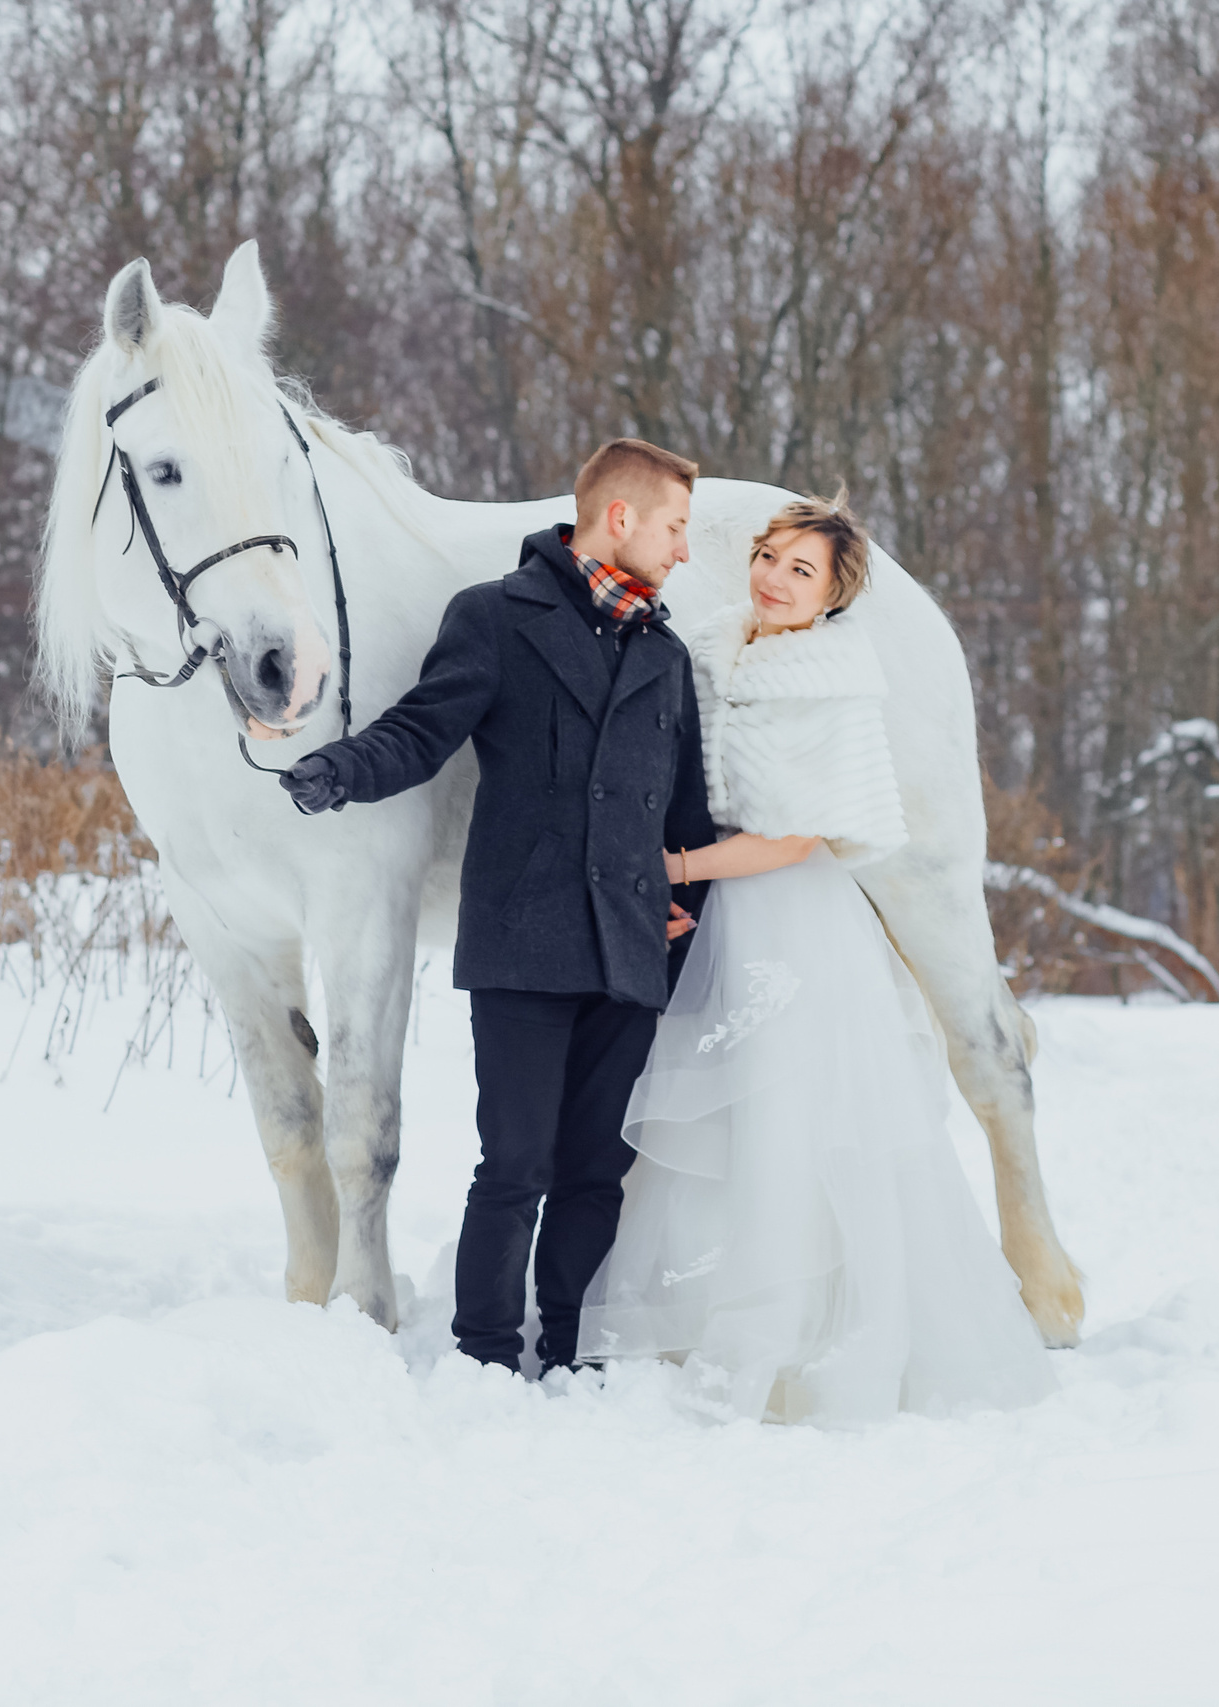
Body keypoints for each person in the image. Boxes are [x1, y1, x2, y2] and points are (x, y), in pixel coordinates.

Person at [578, 492, 1057, 1422]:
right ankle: (690, 1311)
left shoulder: (831, 679)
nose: (776, 580)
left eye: (803, 572)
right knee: (713, 1124)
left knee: (788, 1115)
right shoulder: (714, 647)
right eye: (770, 558)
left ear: (833, 598)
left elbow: (796, 837)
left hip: (787, 915)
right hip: (723, 908)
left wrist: (672, 865)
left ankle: (796, 1326)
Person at [278, 439, 715, 1375]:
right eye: (677, 527)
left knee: (597, 1174)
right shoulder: (495, 618)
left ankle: (571, 1347)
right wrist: (336, 770)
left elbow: (685, 809)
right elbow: (421, 731)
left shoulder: (667, 654)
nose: (686, 550)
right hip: (527, 939)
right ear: (623, 517)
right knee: (515, 1166)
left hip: (632, 947)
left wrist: (692, 909)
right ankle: (484, 1355)